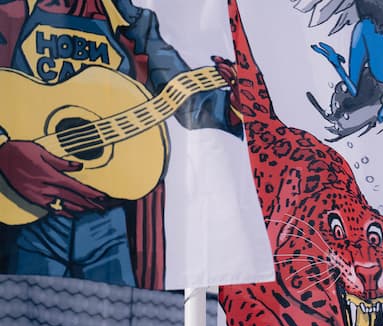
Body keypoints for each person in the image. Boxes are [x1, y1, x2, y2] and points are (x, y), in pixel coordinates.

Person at [0, 0, 241, 289]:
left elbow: (182, 92)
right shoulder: (11, 10)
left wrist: (233, 107)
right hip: (24, 216)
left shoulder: (129, 17)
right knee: (19, 312)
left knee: (124, 312)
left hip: (109, 216)